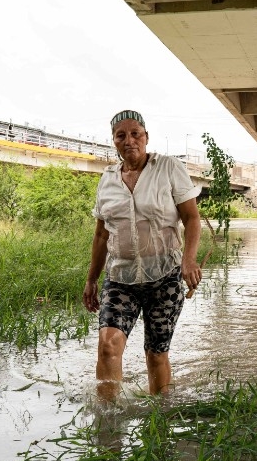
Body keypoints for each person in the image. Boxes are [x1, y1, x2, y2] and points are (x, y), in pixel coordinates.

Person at [83, 109, 202, 401]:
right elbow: (101, 234)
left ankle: (158, 420)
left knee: (156, 355)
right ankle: (108, 424)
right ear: (114, 142)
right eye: (121, 135)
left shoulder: (168, 168)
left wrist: (188, 260)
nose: (129, 140)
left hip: (165, 279)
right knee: (108, 346)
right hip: (120, 279)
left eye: (135, 134)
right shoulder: (108, 179)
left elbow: (192, 219)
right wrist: (92, 280)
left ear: (146, 137)